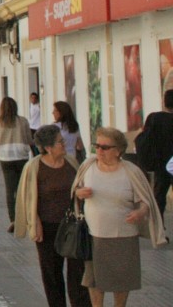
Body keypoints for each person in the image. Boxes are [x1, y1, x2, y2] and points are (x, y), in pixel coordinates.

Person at [73, 127, 166, 306]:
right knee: (94, 279)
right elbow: (75, 190)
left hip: (123, 235)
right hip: (94, 234)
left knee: (122, 279)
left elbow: (146, 201)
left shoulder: (131, 171)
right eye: (96, 146)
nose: (99, 151)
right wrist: (79, 193)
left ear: (118, 151)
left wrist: (140, 212)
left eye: (104, 147)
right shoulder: (88, 167)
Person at [14, 125, 89, 307]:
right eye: (60, 142)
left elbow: (79, 186)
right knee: (52, 274)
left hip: (72, 226)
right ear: (48, 147)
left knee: (78, 273)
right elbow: (27, 198)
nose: (64, 144)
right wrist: (35, 223)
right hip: (47, 227)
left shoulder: (71, 162)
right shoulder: (34, 167)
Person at [0, 96, 33, 233]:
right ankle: (26, 217)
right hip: (21, 156)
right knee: (23, 188)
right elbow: (29, 139)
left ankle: (13, 219)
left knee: (10, 190)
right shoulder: (22, 121)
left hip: (5, 157)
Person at [135, 89, 173, 224]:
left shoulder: (155, 118)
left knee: (159, 196)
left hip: (160, 164)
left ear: (165, 102)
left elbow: (144, 137)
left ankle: (158, 227)